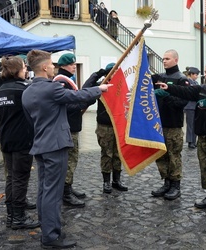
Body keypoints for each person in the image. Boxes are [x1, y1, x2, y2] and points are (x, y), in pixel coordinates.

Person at [22, 49, 111, 248]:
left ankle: (47, 228)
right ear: (44, 67)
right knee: (53, 192)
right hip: (55, 145)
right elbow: (77, 96)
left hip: (41, 145)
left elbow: (32, 120)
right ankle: (51, 236)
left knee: (44, 190)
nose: (54, 67)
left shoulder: (27, 91)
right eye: (52, 64)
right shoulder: (51, 88)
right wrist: (101, 88)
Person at [155, 62, 206, 212]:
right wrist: (169, 88)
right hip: (202, 135)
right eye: (205, 71)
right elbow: (186, 92)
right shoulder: (202, 88)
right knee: (204, 167)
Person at [0, 55, 40, 230]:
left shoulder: (2, 89)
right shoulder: (23, 89)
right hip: (22, 140)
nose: (26, 69)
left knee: (11, 177)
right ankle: (19, 217)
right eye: (24, 67)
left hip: (6, 139)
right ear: (17, 70)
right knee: (20, 178)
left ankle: (11, 215)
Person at [82, 63, 129, 194]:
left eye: (116, 71)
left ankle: (117, 180)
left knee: (117, 154)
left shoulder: (122, 84)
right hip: (105, 125)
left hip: (118, 124)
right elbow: (85, 88)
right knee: (106, 154)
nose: (115, 74)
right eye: (112, 72)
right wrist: (100, 72)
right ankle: (106, 181)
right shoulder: (101, 85)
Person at [54, 53, 92, 207]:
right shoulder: (61, 82)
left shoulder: (68, 80)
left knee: (72, 159)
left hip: (72, 125)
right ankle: (66, 193)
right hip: (68, 127)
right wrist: (83, 104)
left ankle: (68, 187)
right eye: (71, 64)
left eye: (75, 64)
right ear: (63, 66)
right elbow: (66, 105)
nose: (74, 67)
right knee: (70, 160)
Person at [151, 49, 189, 201]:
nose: (164, 61)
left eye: (167, 58)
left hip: (173, 124)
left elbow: (183, 102)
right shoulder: (160, 77)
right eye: (163, 59)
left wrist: (167, 97)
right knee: (161, 156)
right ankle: (166, 182)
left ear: (176, 60)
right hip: (159, 124)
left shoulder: (181, 79)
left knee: (174, 156)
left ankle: (175, 185)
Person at [184, 66, 200, 149]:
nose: (197, 76)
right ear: (191, 74)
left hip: (196, 106)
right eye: (196, 75)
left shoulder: (196, 83)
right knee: (190, 125)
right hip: (190, 106)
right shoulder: (187, 82)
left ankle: (194, 140)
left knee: (195, 124)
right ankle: (190, 141)